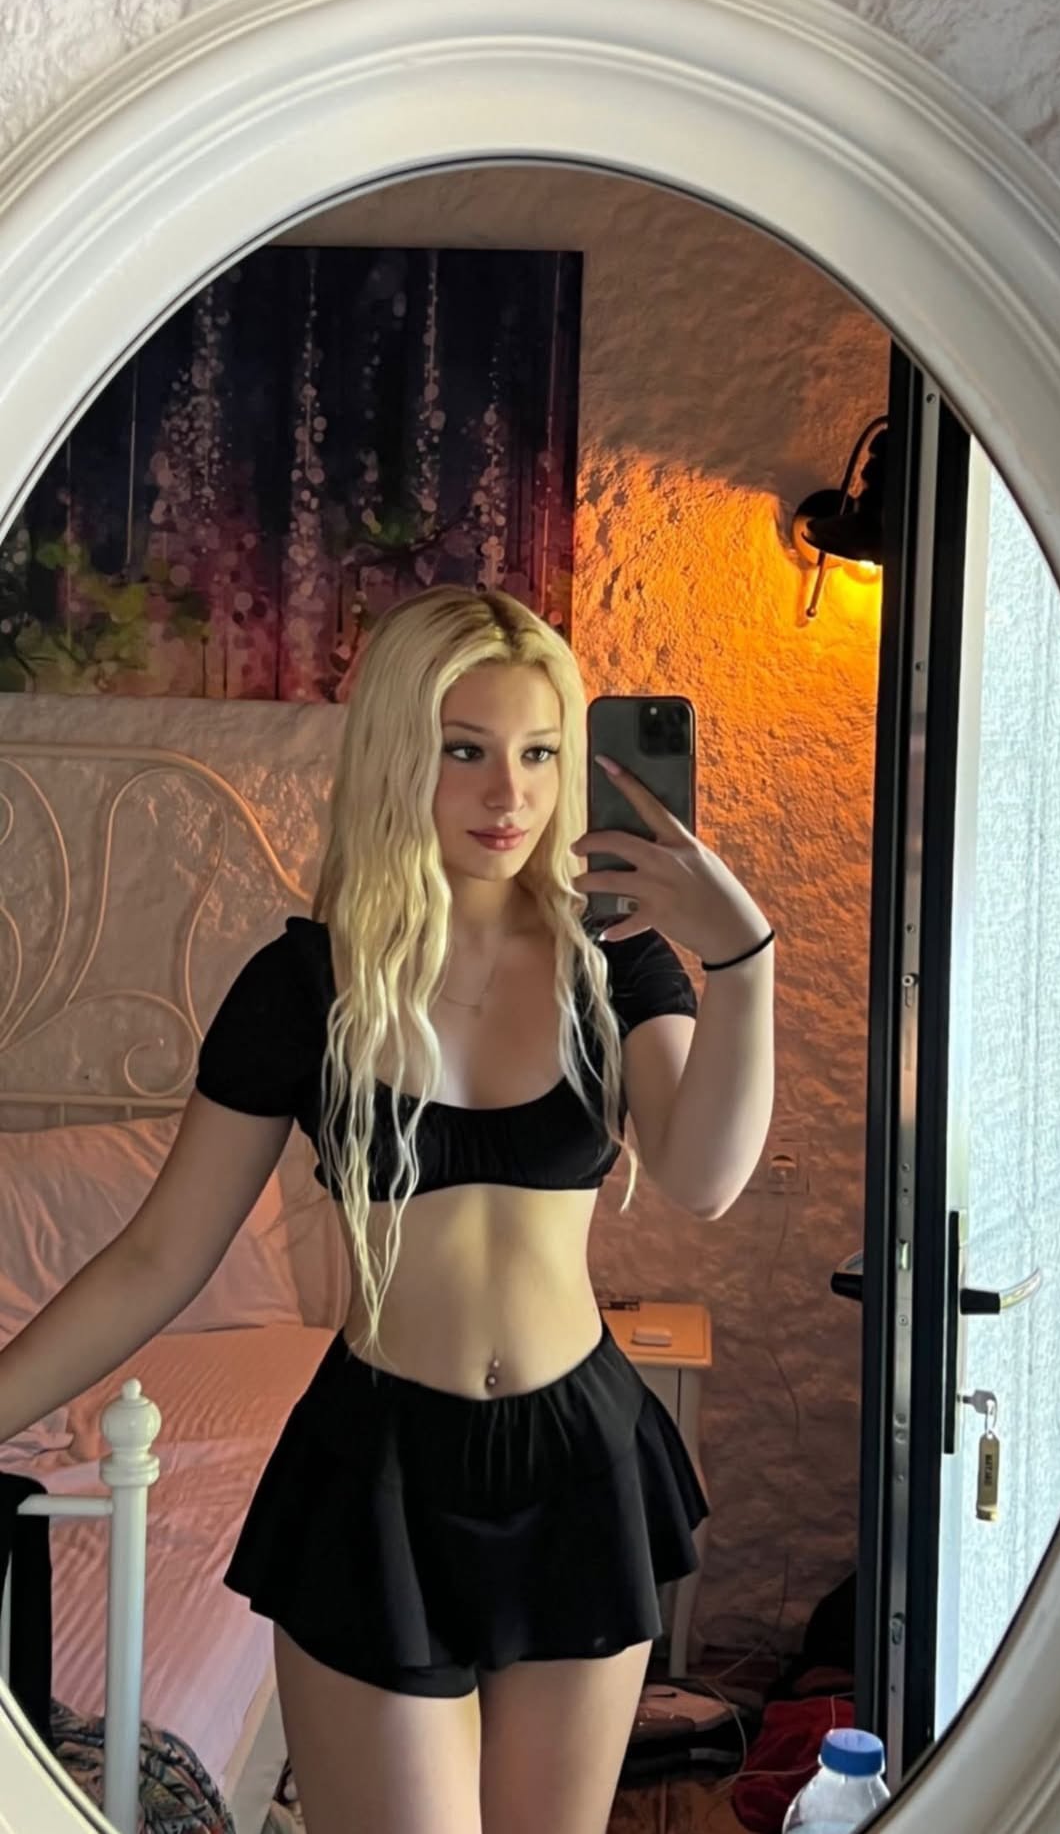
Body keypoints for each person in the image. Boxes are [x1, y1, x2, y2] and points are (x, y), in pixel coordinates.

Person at [0, 585, 775, 1834]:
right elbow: (156, 1258)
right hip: (379, 1472)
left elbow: (705, 1175)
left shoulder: (616, 961)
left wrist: (742, 962)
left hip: (579, 1461)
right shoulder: (302, 987)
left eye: (540, 754)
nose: (508, 794)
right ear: (395, 754)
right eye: (465, 750)